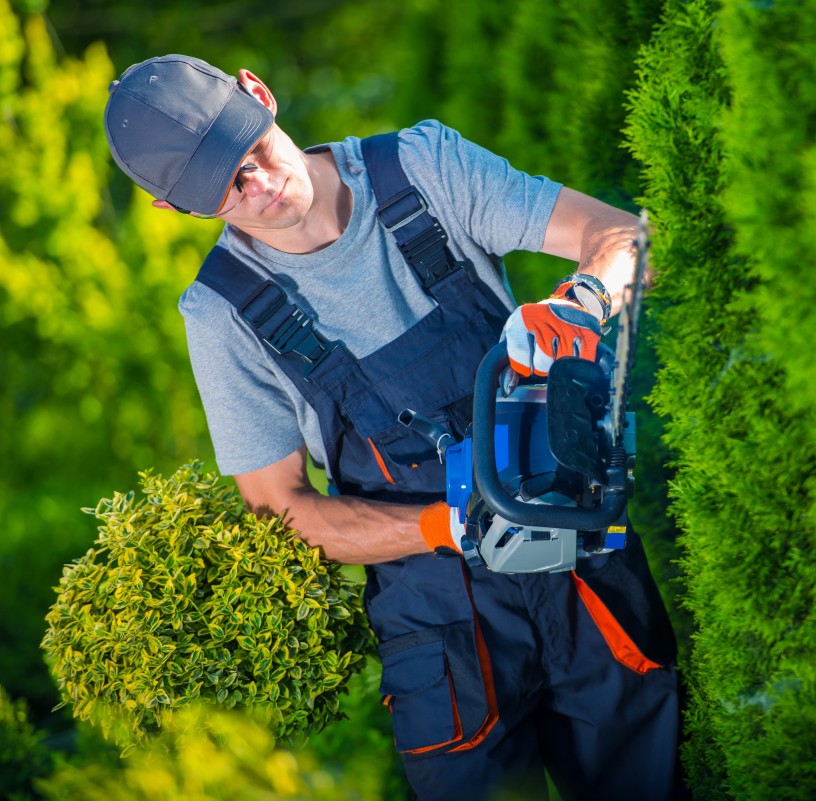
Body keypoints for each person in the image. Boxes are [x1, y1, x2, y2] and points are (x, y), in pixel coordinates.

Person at [103, 54, 681, 800]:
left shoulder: (420, 167)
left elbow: (624, 236)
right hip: (441, 632)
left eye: (252, 152)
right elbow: (285, 514)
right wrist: (448, 526)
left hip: (580, 567)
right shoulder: (222, 314)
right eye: (228, 191)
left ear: (260, 93)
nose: (262, 185)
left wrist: (584, 300)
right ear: (174, 210)